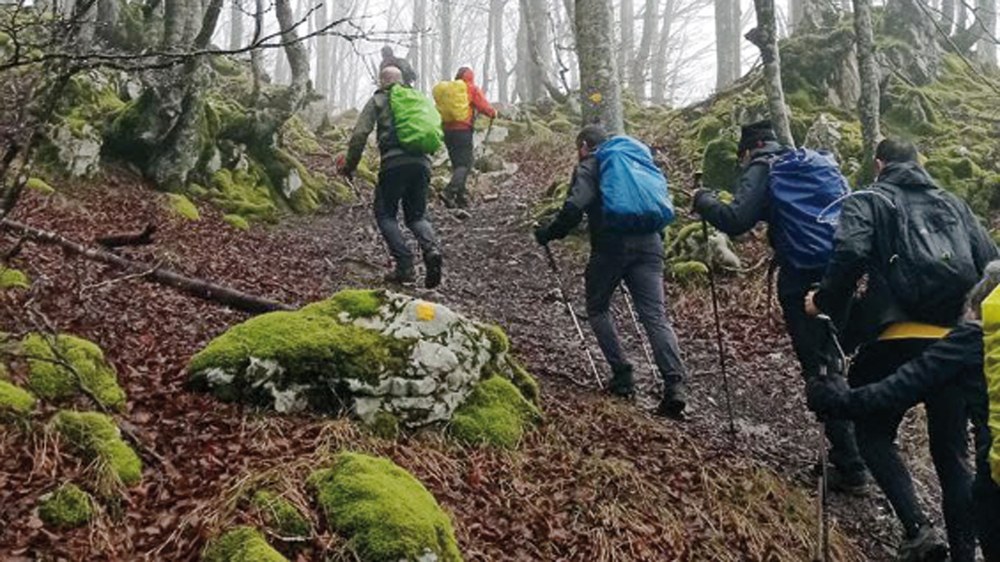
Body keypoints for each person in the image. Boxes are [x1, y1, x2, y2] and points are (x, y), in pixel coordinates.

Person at [804, 139, 998, 561]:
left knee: (872, 430)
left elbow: (851, 251)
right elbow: (991, 263)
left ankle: (918, 529)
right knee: (951, 453)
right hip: (952, 343)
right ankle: (965, 553)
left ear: (879, 164)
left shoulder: (869, 199)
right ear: (920, 163)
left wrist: (823, 300)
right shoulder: (954, 204)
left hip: (894, 336)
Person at [692, 120, 869, 494]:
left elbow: (737, 220)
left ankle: (851, 465)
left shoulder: (763, 167)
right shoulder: (810, 164)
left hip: (802, 280)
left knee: (820, 370)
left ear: (748, 149)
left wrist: (703, 199)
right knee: (832, 359)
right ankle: (849, 449)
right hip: (841, 273)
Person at [806, 261, 1000, 561]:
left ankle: (923, 531)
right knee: (953, 454)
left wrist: (835, 398)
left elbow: (895, 389)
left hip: (995, 487)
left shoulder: (975, 339)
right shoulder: (961, 216)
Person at [533, 125, 689, 419]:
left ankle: (622, 374)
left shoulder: (591, 165)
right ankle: (675, 384)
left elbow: (574, 206)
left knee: (597, 308)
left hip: (611, 246)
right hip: (651, 242)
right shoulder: (635, 161)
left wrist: (549, 233)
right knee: (655, 315)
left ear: (583, 146)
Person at [338, 66, 443, 289]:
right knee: (417, 217)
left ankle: (405, 267)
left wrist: (350, 166)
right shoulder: (417, 99)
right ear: (402, 80)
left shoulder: (379, 99)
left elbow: (359, 134)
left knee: (386, 214)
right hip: (423, 162)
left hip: (394, 163)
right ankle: (431, 249)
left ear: (381, 81)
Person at [441, 67, 497, 209]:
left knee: (457, 164)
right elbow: (483, 106)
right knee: (465, 164)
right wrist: (493, 113)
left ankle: (460, 197)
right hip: (463, 130)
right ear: (470, 77)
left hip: (446, 130)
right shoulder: (470, 88)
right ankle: (449, 192)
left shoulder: (449, 91)